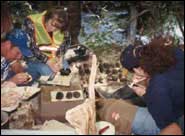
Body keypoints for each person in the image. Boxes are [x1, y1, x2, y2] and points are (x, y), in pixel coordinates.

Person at [119, 36, 184, 134]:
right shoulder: (176, 52)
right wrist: (149, 78)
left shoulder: (156, 88)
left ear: (138, 69)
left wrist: (146, 94)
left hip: (178, 120)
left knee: (128, 117)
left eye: (132, 71)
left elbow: (173, 130)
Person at [7, 7, 68, 76]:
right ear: (47, 17)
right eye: (52, 24)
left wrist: (60, 57)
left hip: (52, 57)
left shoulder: (62, 26)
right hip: (32, 58)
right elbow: (31, 46)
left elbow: (65, 43)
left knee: (66, 70)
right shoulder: (31, 22)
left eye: (57, 28)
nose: (53, 29)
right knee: (49, 73)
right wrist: (48, 61)